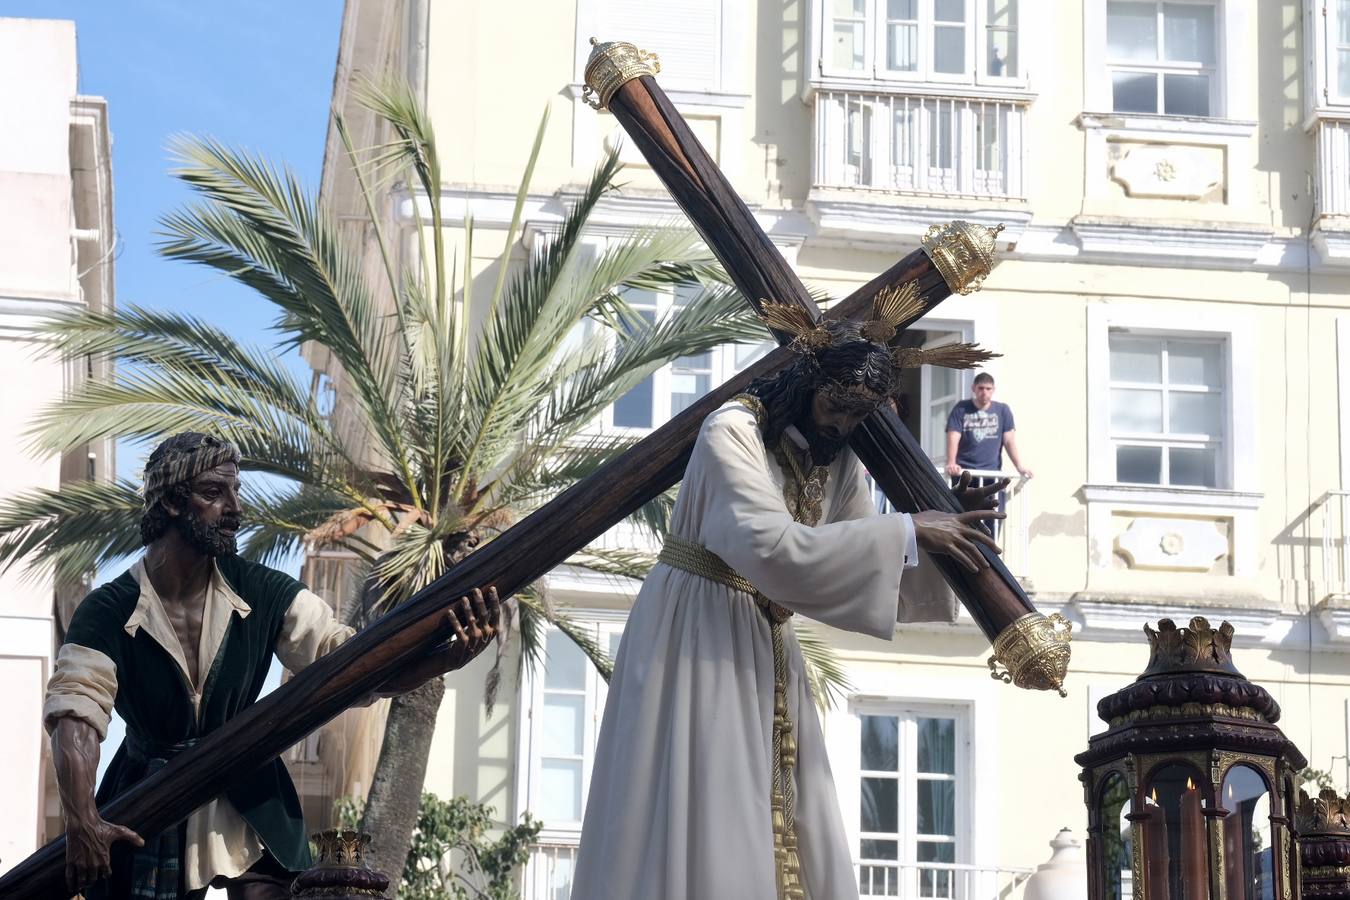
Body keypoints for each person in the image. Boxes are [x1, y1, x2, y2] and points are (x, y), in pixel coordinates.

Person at [570, 301, 1003, 900]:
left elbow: (845, 556)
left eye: (857, 419)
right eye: (835, 409)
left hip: (767, 642)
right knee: (709, 809)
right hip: (697, 632)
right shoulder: (732, 430)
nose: (841, 428)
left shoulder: (836, 454)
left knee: (789, 817)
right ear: (806, 384)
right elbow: (772, 546)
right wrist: (909, 531)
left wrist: (940, 540)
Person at [44, 432, 500, 900]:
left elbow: (353, 666)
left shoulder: (264, 592)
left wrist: (444, 658)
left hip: (249, 784)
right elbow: (75, 714)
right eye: (214, 493)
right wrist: (83, 822)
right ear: (174, 504)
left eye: (235, 490)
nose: (235, 508)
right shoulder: (108, 609)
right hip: (152, 796)